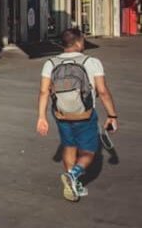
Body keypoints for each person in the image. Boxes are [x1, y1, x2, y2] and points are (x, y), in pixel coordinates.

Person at [37, 28, 120, 202]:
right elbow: (103, 91)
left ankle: (72, 184)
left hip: (61, 115)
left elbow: (44, 92)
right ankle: (74, 175)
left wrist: (42, 117)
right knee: (89, 152)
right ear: (78, 42)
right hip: (85, 115)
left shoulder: (50, 63)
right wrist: (112, 116)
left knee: (69, 146)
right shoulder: (92, 62)